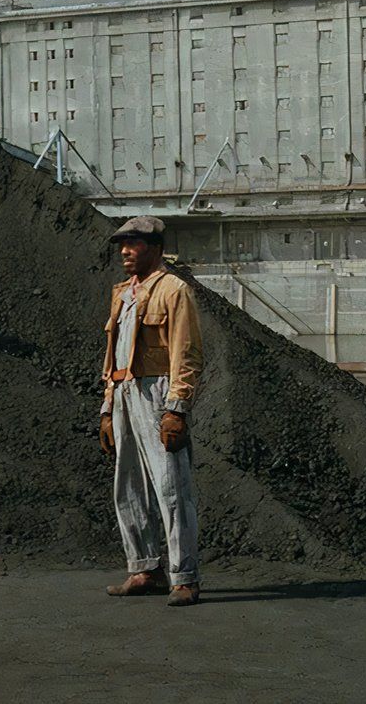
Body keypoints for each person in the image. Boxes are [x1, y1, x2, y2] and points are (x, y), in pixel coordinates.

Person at [97, 216, 204, 607]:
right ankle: (144, 568)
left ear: (155, 248)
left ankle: (184, 578)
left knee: (171, 488)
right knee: (129, 487)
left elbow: (186, 354)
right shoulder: (123, 293)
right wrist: (108, 408)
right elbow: (113, 356)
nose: (125, 251)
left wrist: (176, 408)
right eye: (122, 244)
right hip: (125, 392)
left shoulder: (174, 291)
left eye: (134, 243)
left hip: (157, 392)